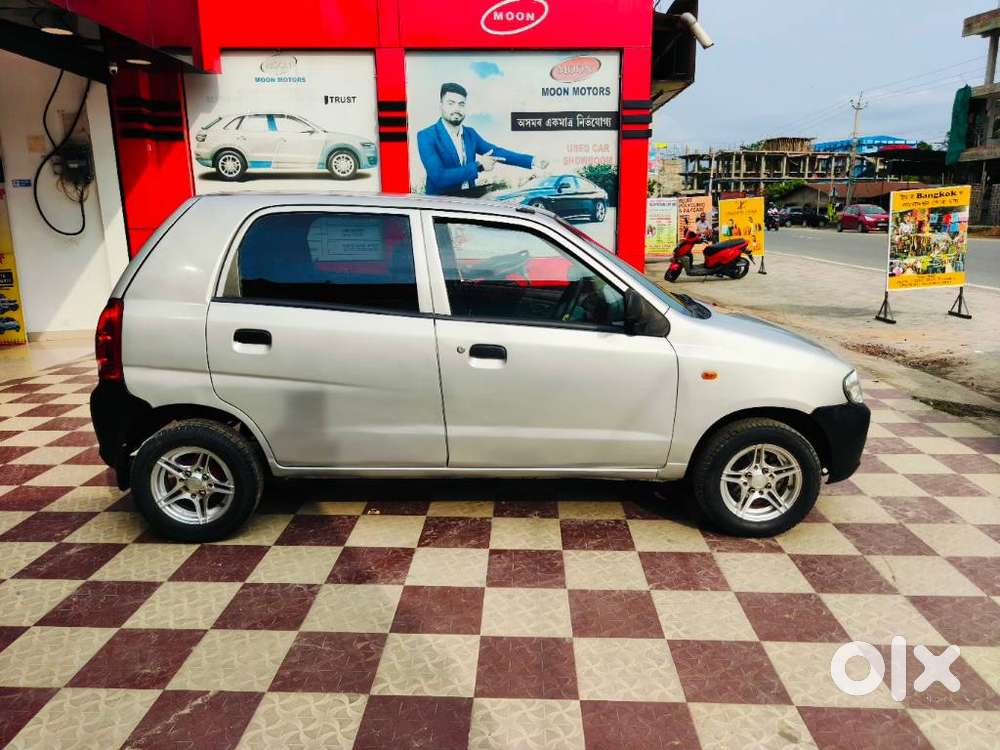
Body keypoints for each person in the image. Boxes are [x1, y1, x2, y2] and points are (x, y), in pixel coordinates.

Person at [417, 82, 548, 196]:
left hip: (470, 203)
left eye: (461, 104)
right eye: (451, 103)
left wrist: (533, 160)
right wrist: (479, 166)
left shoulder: (470, 134)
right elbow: (440, 178)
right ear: (441, 105)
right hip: (440, 211)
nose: (456, 109)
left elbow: (496, 152)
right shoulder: (426, 136)